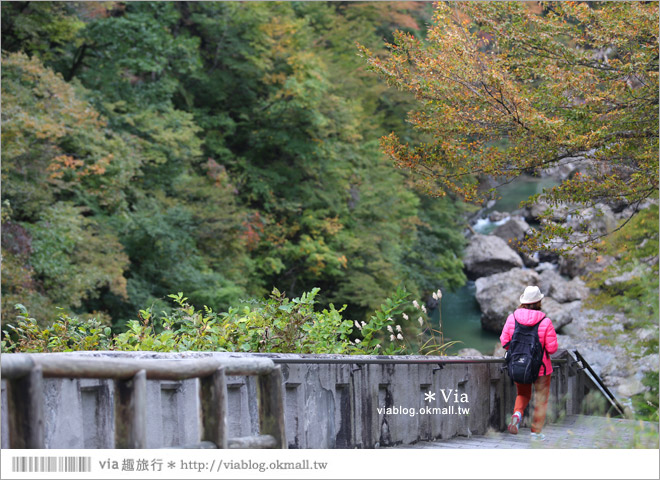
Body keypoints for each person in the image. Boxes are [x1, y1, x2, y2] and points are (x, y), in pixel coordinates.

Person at [500, 285, 558, 441]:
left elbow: (505, 342)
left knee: (523, 393)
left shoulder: (512, 318)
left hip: (519, 365)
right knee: (541, 399)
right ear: (539, 301)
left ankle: (517, 415)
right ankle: (535, 433)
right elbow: (552, 349)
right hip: (541, 368)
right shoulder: (545, 322)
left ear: (523, 301)